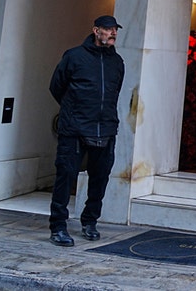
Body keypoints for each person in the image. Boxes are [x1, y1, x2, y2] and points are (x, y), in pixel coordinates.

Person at [48, 15, 126, 247]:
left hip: (106, 128)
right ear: (96, 31)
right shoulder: (74, 56)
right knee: (66, 176)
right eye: (108, 29)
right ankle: (58, 226)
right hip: (74, 128)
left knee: (100, 178)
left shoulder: (117, 62)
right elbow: (56, 86)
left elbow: (115, 92)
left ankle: (90, 221)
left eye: (115, 29)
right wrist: (73, 111)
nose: (113, 33)